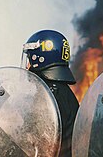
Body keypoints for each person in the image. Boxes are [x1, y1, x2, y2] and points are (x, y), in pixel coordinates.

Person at [22, 29, 79, 157]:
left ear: (39, 59)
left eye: (30, 59)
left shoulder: (48, 98)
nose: (27, 66)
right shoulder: (64, 93)